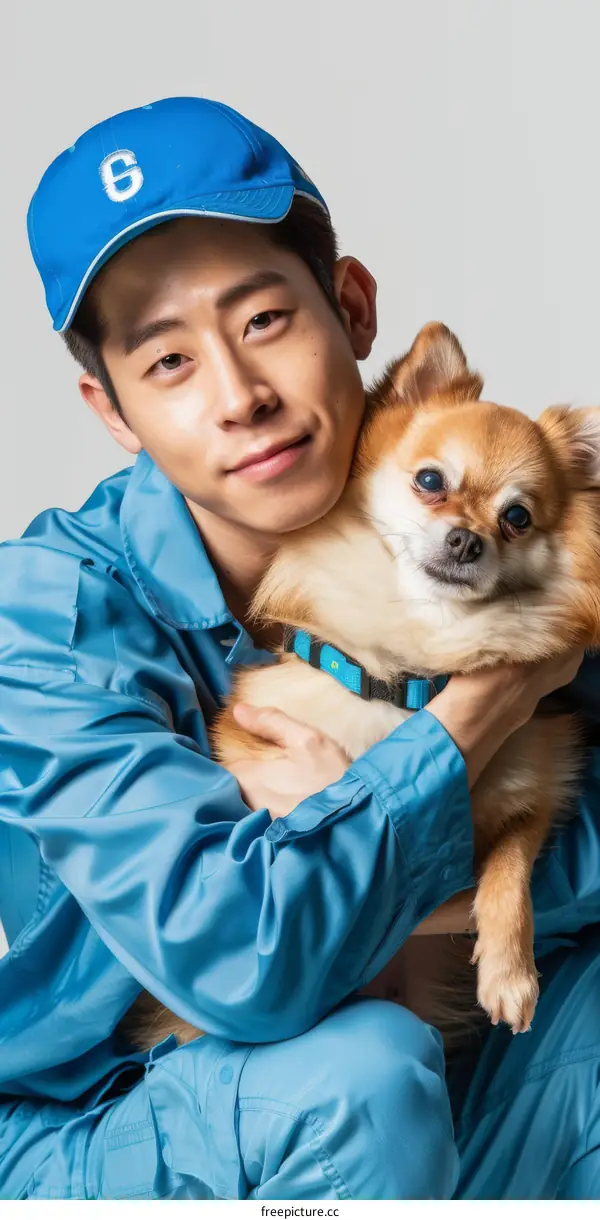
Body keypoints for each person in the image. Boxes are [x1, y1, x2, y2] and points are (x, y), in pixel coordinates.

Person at [0, 96, 598, 1201]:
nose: (241, 398)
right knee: (357, 1077)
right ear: (112, 408)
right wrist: (469, 723)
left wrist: (351, 853)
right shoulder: (44, 616)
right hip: (128, 1113)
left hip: (443, 1071)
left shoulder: (479, 516)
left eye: (264, 318)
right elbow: (244, 963)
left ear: (352, 307)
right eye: (168, 360)